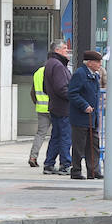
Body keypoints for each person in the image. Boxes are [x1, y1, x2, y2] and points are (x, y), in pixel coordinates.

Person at [69, 49, 104, 180]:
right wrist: (84, 105)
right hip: (81, 117)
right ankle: (76, 171)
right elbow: (72, 93)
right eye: (97, 62)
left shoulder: (95, 75)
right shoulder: (80, 74)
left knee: (93, 145)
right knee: (79, 146)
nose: (100, 64)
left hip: (92, 117)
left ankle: (93, 171)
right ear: (89, 63)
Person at [42, 39, 73, 175]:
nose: (67, 50)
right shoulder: (59, 66)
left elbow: (45, 87)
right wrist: (74, 98)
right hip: (63, 107)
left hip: (55, 106)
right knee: (65, 136)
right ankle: (65, 164)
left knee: (56, 135)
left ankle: (49, 163)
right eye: (65, 48)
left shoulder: (50, 64)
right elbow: (61, 88)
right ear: (57, 50)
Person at [26, 60, 49, 168]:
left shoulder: (38, 72)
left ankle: (33, 157)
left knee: (40, 134)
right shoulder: (54, 71)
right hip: (55, 108)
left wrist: (38, 102)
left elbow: (33, 92)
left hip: (41, 107)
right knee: (59, 135)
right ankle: (52, 160)